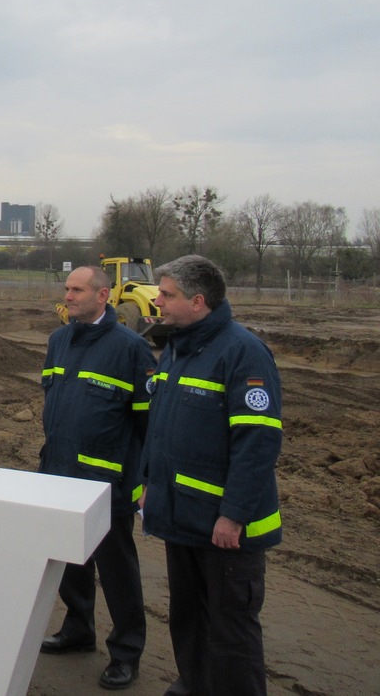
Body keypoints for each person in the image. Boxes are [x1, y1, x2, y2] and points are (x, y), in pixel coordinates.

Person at [140, 255, 283, 696]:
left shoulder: (243, 352)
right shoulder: (179, 347)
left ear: (197, 301)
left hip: (226, 529)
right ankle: (194, 684)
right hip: (183, 518)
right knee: (188, 616)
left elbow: (257, 444)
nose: (158, 301)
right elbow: (162, 428)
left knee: (231, 631)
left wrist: (234, 515)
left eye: (167, 295)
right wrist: (150, 485)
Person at [38, 265, 154, 691]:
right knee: (71, 557)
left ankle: (126, 652)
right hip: (60, 471)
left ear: (103, 296)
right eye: (66, 288)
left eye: (77, 290)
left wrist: (142, 479)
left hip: (108, 481)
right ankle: (78, 628)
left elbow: (147, 425)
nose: (67, 296)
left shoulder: (131, 349)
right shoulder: (58, 341)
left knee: (118, 568)